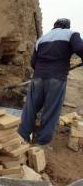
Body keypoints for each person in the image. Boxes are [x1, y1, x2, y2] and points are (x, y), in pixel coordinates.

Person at [18, 18, 83, 146]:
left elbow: (33, 63)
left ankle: (22, 137)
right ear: (67, 26)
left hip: (38, 77)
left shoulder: (42, 39)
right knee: (51, 110)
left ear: (54, 26)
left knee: (30, 108)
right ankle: (41, 143)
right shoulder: (71, 34)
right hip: (56, 78)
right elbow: (80, 49)